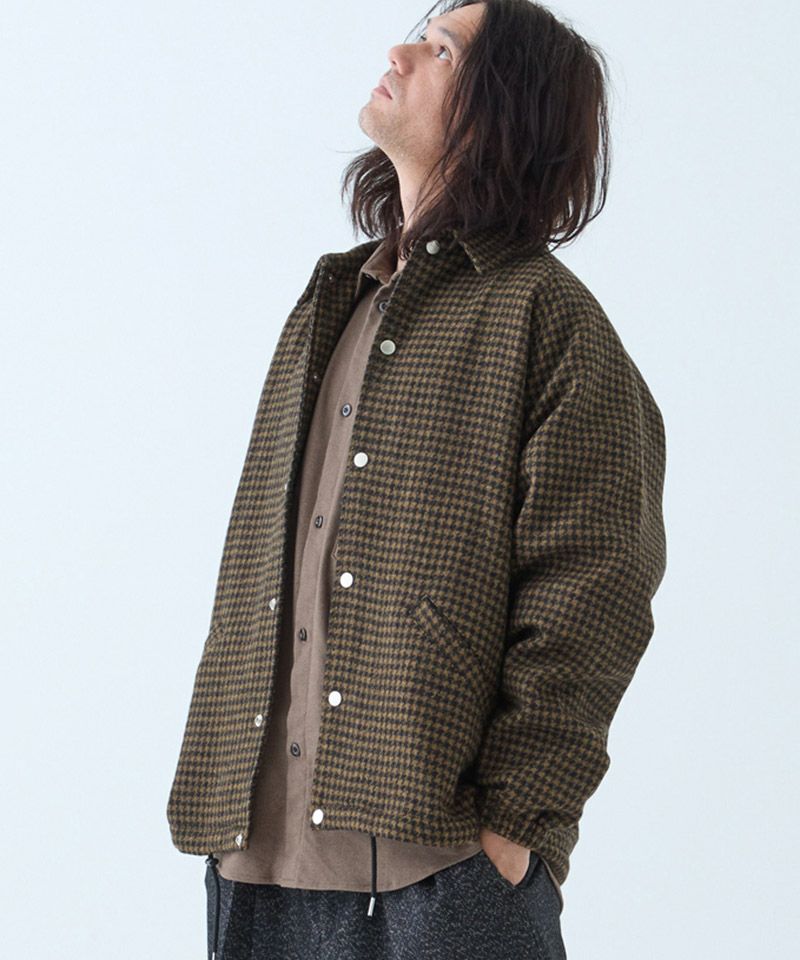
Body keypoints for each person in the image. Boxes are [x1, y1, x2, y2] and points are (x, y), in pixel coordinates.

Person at [166, 1, 668, 957]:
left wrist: (515, 823)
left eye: (441, 49)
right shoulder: (331, 302)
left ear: (505, 107)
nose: (399, 52)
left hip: (440, 871)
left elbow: (598, 589)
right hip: (256, 863)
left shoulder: (548, 321)